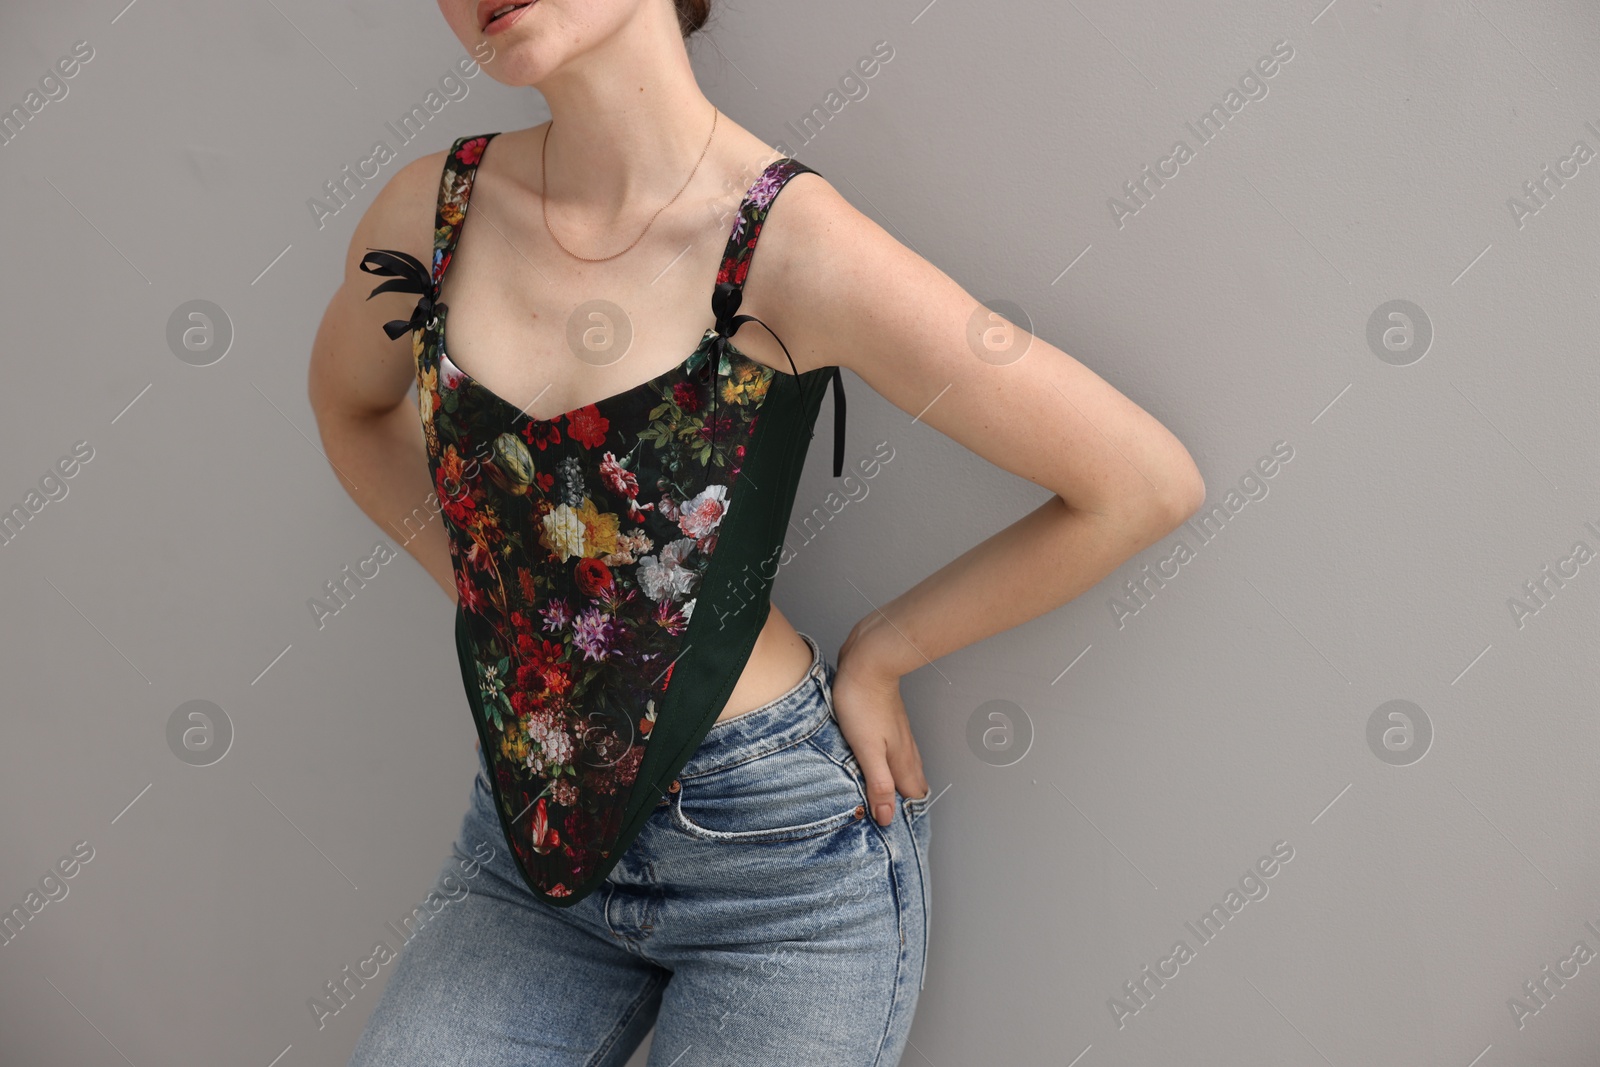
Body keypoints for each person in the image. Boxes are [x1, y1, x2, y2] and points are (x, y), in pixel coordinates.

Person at [307, 1, 1205, 1063]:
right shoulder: (434, 213)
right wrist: (504, 611)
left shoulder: (788, 243)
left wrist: (885, 651)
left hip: (775, 868)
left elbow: (1140, 482)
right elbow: (350, 412)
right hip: (529, 850)